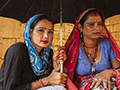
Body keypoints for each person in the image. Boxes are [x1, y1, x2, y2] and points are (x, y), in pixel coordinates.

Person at [0, 14, 67, 90]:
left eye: (50, 32)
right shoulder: (18, 51)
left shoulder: (47, 54)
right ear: (30, 32)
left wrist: (56, 66)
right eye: (41, 30)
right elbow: (10, 88)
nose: (46, 36)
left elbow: (51, 80)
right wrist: (46, 81)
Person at [63, 8, 120, 90]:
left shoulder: (106, 44)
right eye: (91, 24)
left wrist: (110, 72)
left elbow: (118, 69)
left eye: (100, 24)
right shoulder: (74, 48)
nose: (97, 28)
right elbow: (68, 79)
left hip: (107, 84)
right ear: (80, 27)